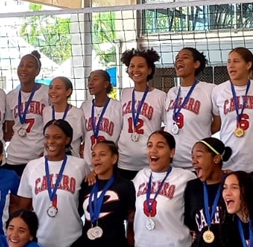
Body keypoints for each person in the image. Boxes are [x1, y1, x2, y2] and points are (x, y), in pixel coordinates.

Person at [16, 120, 90, 247]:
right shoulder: (32, 167)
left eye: (57, 137)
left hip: (71, 244)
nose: (51, 141)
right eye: (47, 136)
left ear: (67, 140)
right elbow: (23, 208)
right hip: (41, 246)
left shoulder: (81, 166)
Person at [213, 47, 253, 194]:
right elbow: (217, 124)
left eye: (236, 61)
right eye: (229, 62)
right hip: (229, 164)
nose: (231, 66)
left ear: (248, 64)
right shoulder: (218, 91)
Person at [164, 47, 219, 170]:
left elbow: (217, 123)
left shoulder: (209, 89)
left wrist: (203, 130)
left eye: (185, 57)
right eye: (177, 58)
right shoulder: (172, 92)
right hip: (172, 164)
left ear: (196, 64)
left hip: (197, 165)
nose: (179, 60)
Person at [119, 48, 167, 179]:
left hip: (149, 160)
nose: (135, 70)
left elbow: (167, 127)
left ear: (149, 70)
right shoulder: (125, 93)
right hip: (124, 161)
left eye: (141, 66)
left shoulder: (160, 96)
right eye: (132, 66)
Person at [5, 51, 46, 175]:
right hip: (14, 157)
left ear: (37, 71)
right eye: (21, 65)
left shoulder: (47, 93)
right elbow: (9, 129)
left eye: (29, 65)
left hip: (38, 156)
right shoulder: (11, 96)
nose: (24, 68)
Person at [82, 69, 123, 164]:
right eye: (89, 80)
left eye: (95, 79)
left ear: (106, 84)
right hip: (88, 163)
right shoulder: (85, 106)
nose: (90, 83)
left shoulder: (118, 107)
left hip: (110, 164)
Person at [47, 76, 86, 158]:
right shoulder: (45, 111)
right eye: (51, 88)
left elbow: (84, 138)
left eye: (58, 88)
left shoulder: (78, 113)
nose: (53, 91)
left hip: (72, 160)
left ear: (68, 92)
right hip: (50, 161)